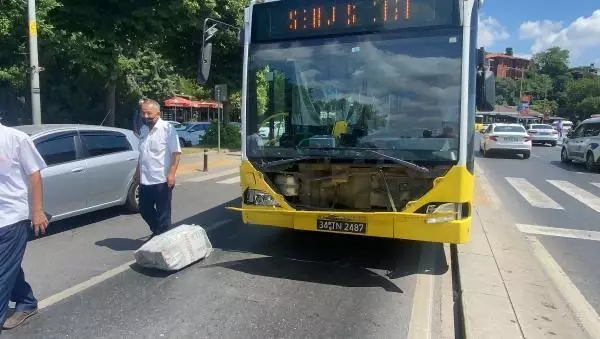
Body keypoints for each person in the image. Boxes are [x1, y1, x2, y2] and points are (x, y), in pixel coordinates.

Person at [0, 122, 49, 332]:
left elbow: (35, 174)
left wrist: (37, 211)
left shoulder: (16, 138)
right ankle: (26, 301)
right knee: (8, 267)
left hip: (11, 218)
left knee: (3, 271)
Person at [135, 99, 182, 237]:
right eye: (143, 113)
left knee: (164, 215)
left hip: (161, 180)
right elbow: (142, 154)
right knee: (144, 209)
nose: (145, 116)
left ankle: (164, 240)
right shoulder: (143, 130)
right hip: (145, 180)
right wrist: (137, 173)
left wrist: (172, 174)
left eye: (149, 113)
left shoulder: (167, 129)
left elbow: (176, 153)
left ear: (158, 113)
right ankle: (158, 232)